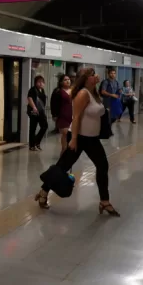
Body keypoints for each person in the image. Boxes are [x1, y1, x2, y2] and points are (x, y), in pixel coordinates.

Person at [35, 68, 119, 217]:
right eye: (92, 75)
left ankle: (104, 201)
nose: (96, 76)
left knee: (101, 166)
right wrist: (73, 139)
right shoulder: (83, 94)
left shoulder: (94, 93)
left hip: (92, 138)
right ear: (85, 79)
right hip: (79, 137)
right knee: (63, 167)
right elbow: (76, 117)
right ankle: (44, 191)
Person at [51, 75, 73, 154]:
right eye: (65, 80)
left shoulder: (73, 90)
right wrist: (54, 115)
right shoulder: (58, 91)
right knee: (65, 133)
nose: (68, 81)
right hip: (62, 115)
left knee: (71, 135)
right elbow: (53, 103)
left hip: (72, 115)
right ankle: (64, 150)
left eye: (68, 79)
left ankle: (68, 151)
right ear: (61, 82)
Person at [27, 75, 48, 151]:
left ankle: (36, 141)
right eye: (39, 82)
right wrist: (34, 107)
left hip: (41, 111)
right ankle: (32, 145)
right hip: (34, 111)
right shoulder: (33, 90)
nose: (41, 83)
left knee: (45, 126)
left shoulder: (42, 90)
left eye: (42, 82)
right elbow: (29, 98)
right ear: (35, 83)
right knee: (33, 128)